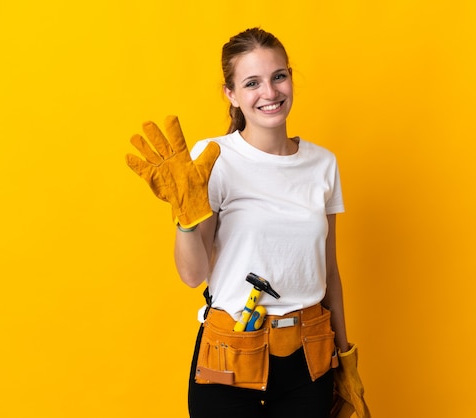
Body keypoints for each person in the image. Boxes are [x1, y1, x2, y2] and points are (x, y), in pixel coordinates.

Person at [126, 27, 369, 418]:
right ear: (231, 94)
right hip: (229, 352)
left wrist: (345, 356)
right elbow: (192, 275)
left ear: (290, 77)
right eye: (252, 82)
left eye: (279, 77)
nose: (270, 93)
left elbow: (329, 272)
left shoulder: (323, 164)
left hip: (311, 353)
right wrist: (186, 219)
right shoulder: (213, 158)